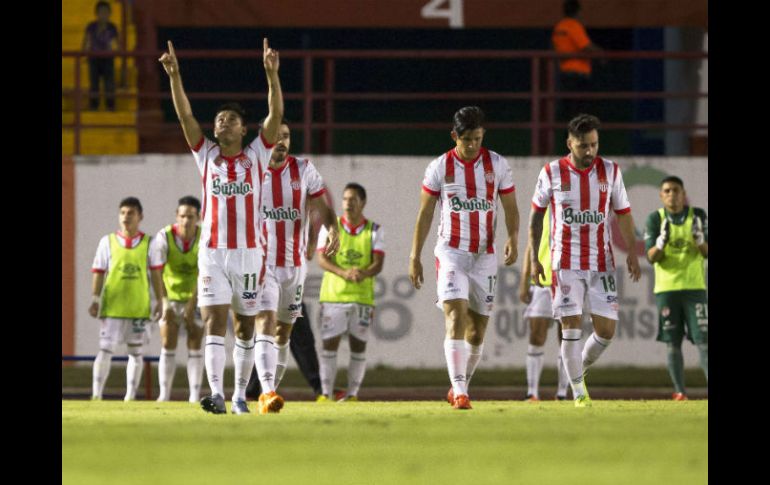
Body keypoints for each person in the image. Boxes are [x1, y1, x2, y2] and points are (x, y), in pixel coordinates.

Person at [159, 38, 285, 415]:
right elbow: (184, 117)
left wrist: (272, 77)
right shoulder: (207, 155)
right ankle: (215, 393)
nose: (221, 124)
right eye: (218, 120)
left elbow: (276, 116)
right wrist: (175, 76)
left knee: (244, 328)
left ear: (244, 130)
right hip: (213, 253)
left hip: (249, 254)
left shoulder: (257, 155)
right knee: (213, 320)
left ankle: (240, 396)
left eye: (229, 120)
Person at [409, 106, 520, 410]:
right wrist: (414, 255)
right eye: (466, 139)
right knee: (455, 315)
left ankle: (460, 384)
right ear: (454, 136)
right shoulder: (439, 167)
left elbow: (510, 206)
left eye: (477, 138)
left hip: (484, 256)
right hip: (451, 253)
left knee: (477, 330)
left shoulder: (497, 164)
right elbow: (425, 213)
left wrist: (512, 237)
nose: (472, 145)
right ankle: (460, 392)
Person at [528, 113, 641, 408]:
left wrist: (631, 250)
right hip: (565, 264)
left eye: (594, 144)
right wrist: (533, 259)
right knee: (571, 329)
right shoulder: (551, 172)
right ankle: (579, 393)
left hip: (601, 263)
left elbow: (624, 214)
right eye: (582, 146)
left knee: (606, 332)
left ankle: (578, 369)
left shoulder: (611, 171)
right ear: (569, 143)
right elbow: (535, 218)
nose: (589, 151)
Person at [255, 119, 339, 397]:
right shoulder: (252, 171)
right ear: (264, 138)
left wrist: (332, 228)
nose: (281, 141)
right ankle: (266, 391)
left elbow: (319, 206)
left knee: (283, 334)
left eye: (287, 136)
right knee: (265, 324)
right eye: (276, 136)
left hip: (294, 267)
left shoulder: (303, 169)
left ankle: (268, 391)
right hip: (261, 265)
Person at [89, 197, 163, 401]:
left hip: (138, 307)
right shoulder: (107, 241)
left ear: (140, 217)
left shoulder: (150, 243)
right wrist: (95, 299)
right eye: (122, 213)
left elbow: (156, 274)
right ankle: (96, 395)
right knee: (105, 350)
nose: (125, 217)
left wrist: (159, 301)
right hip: (112, 306)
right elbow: (98, 271)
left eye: (130, 213)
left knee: (136, 353)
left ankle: (130, 397)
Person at [316, 183, 385, 402]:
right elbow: (322, 259)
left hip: (362, 297)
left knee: (358, 346)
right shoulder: (331, 227)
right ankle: (325, 394)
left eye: (353, 199)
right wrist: (343, 272)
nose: (347, 203)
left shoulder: (374, 230)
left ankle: (353, 394)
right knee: (329, 345)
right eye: (345, 199)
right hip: (334, 296)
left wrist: (362, 273)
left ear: (362, 203)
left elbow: (378, 263)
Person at [644, 176, 708, 401]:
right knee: (672, 342)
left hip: (694, 287)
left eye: (676, 190)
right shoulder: (656, 219)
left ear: (683, 193)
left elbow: (706, 251)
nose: (672, 194)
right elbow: (651, 257)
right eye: (667, 191)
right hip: (667, 289)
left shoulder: (697, 216)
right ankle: (680, 392)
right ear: (661, 195)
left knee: (704, 340)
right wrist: (661, 243)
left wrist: (699, 239)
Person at [152, 196, 205, 403]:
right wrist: (164, 302)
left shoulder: (204, 237)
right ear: (176, 215)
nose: (186, 221)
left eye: (190, 217)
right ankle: (164, 395)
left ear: (198, 217)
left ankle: (194, 396)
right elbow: (157, 271)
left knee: (195, 341)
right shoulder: (164, 236)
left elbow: (204, 272)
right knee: (167, 342)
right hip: (171, 296)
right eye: (182, 216)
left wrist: (192, 305)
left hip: (196, 295)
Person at [518, 207, 571, 401]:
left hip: (569, 281)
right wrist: (524, 279)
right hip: (542, 281)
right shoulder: (543, 208)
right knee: (537, 335)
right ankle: (532, 392)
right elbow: (531, 246)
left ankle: (562, 393)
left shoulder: (576, 203)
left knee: (566, 338)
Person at [552, 0, 603, 120]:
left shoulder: (559, 27)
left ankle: (569, 137)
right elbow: (586, 46)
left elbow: (557, 48)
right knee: (580, 113)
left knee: (569, 112)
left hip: (565, 74)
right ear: (578, 12)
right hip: (578, 76)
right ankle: (578, 138)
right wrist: (601, 55)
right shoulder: (574, 26)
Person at [82, 1, 119, 111]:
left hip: (108, 59)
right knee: (94, 84)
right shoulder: (91, 27)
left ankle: (110, 107)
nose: (104, 15)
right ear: (96, 14)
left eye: (106, 12)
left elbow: (117, 45)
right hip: (94, 59)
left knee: (109, 84)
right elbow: (86, 43)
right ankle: (94, 106)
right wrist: (85, 52)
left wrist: (113, 48)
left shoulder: (112, 27)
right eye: (101, 12)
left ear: (109, 14)